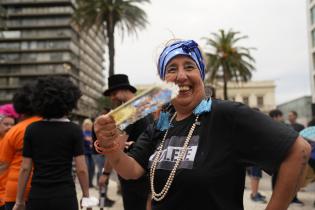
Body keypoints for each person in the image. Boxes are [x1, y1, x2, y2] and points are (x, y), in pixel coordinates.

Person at [93, 39, 312, 210]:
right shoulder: (161, 123)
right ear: (163, 81)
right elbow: (132, 170)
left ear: (202, 75)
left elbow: (299, 150)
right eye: (171, 69)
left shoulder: (227, 115)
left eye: (189, 66)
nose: (180, 76)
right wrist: (111, 148)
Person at [12, 76, 92, 210]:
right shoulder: (74, 130)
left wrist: (19, 201)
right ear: (70, 102)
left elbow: (25, 168)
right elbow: (82, 169)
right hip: (65, 196)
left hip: (38, 195)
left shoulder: (32, 129)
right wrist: (86, 197)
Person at [98, 74, 153, 210]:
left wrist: (105, 173)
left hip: (132, 174)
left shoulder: (129, 112)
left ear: (124, 90)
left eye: (114, 93)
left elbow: (115, 146)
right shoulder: (145, 108)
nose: (112, 97)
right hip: (145, 173)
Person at [0, 83, 41, 210]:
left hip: (14, 190)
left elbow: (3, 165)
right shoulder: (49, 127)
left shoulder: (14, 132)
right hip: (42, 189)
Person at [0, 105, 18, 210]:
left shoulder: (14, 142)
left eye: (12, 124)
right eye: (6, 124)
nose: (10, 127)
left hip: (11, 194)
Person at [82, 118, 95, 188]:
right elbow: (86, 140)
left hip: (91, 153)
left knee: (92, 168)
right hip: (85, 153)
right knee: (87, 168)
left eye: (89, 124)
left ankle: (90, 183)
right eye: (86, 124)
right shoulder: (83, 132)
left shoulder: (92, 133)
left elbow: (92, 140)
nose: (88, 126)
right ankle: (86, 183)